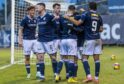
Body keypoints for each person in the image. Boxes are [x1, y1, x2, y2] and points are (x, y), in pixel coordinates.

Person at [64, 2, 103, 84]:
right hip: (98, 39)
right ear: (96, 8)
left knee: (84, 57)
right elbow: (101, 29)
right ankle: (96, 78)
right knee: (97, 59)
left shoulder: (86, 14)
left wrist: (68, 18)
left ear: (89, 7)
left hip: (89, 39)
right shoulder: (99, 16)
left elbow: (78, 23)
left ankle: (89, 76)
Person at [36, 3, 59, 81]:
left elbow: (56, 27)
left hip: (48, 41)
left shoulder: (49, 16)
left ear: (43, 7)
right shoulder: (38, 18)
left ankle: (56, 73)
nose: (36, 8)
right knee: (40, 58)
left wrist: (50, 34)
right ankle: (42, 76)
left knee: (53, 58)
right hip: (40, 40)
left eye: (38, 7)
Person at [19, 6, 38, 79]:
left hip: (34, 40)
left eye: (34, 10)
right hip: (26, 40)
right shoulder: (24, 19)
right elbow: (20, 30)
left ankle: (38, 72)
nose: (33, 12)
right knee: (27, 57)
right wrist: (20, 40)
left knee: (39, 56)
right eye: (32, 10)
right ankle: (28, 73)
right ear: (28, 11)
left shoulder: (36, 19)